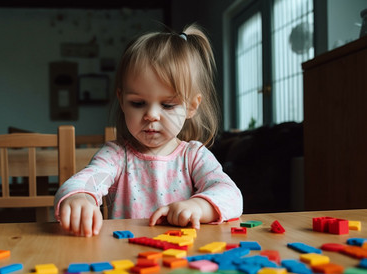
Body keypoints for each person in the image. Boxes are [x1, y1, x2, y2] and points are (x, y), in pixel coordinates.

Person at [55, 23, 243, 237]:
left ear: (191, 106)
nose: (151, 115)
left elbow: (231, 195)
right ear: (122, 101)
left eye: (168, 105)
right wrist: (81, 197)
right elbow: (86, 181)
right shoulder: (116, 156)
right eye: (137, 103)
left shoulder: (193, 156)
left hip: (184, 256)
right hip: (125, 257)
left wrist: (199, 206)